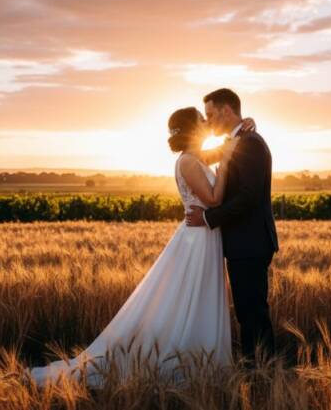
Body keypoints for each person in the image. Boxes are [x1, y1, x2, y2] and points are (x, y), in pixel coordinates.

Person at [25, 106, 256, 387]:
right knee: (192, 297)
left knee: (199, 297)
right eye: (202, 120)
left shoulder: (195, 157)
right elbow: (215, 199)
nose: (207, 122)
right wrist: (226, 164)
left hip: (204, 237)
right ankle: (186, 359)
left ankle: (201, 358)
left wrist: (239, 133)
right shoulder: (187, 162)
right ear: (192, 129)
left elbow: (221, 152)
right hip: (197, 240)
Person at [185, 88, 279, 365]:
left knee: (252, 312)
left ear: (227, 111)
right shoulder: (235, 141)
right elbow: (196, 158)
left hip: (250, 242)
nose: (209, 121)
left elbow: (249, 197)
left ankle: (262, 371)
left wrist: (208, 219)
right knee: (247, 312)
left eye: (211, 115)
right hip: (243, 242)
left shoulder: (249, 143)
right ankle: (258, 368)